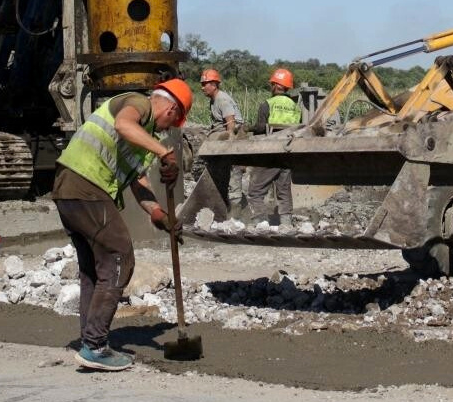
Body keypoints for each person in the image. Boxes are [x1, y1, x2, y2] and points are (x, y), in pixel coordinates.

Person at [52, 78, 192, 371]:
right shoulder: (138, 104)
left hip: (70, 189)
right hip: (85, 184)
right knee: (120, 257)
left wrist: (159, 215)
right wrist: (164, 152)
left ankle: (89, 340)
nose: (168, 128)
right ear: (170, 107)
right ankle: (95, 346)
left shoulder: (142, 139)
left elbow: (137, 181)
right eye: (174, 120)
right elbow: (123, 126)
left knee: (95, 268)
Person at [247, 68, 302, 228]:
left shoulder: (267, 104)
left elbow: (260, 128)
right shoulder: (295, 107)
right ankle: (286, 224)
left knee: (255, 191)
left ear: (275, 85)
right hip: (287, 153)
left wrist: (247, 128)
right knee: (283, 191)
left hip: (270, 153)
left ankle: (261, 222)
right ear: (287, 87)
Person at [199, 69, 247, 210]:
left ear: (214, 85)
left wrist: (230, 150)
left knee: (234, 175)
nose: (202, 87)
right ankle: (224, 204)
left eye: (205, 84)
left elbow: (230, 125)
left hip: (233, 138)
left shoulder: (222, 99)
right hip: (224, 138)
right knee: (223, 174)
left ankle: (236, 211)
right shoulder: (213, 101)